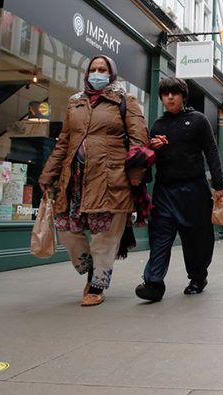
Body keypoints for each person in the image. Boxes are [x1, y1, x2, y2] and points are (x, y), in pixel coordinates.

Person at [39, 55, 149, 306]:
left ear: (112, 74)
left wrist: (134, 177)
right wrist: (48, 174)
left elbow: (139, 142)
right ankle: (90, 269)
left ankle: (98, 283)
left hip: (111, 178)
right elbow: (64, 143)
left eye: (103, 69)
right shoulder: (75, 103)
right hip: (74, 178)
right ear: (86, 73)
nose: (97, 73)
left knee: (105, 234)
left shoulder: (125, 101)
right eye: (93, 69)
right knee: (67, 228)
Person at [135, 77, 223, 301]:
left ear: (183, 96)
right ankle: (153, 283)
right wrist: (151, 148)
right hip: (164, 190)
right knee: (160, 236)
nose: (169, 98)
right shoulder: (158, 125)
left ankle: (197, 277)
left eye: (174, 93)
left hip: (193, 189)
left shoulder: (198, 120)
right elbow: (148, 160)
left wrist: (219, 184)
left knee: (196, 237)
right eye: (165, 94)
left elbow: (211, 151)